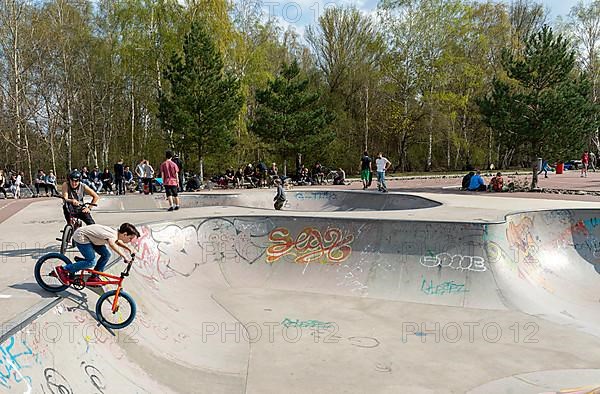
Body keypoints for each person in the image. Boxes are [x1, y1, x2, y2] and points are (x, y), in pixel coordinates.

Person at [53, 223, 140, 284]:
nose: (130, 241)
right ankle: (63, 270)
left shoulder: (115, 233)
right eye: (130, 238)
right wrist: (124, 256)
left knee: (106, 254)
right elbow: (112, 244)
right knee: (91, 262)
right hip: (82, 237)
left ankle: (95, 276)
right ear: (125, 234)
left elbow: (117, 242)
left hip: (92, 239)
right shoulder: (112, 235)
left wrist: (129, 249)